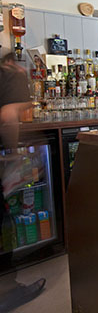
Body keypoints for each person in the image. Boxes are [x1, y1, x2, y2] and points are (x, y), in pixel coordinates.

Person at [0, 53, 46, 311]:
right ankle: (8, 293)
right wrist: (15, 155)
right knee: (2, 225)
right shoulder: (12, 74)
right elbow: (8, 117)